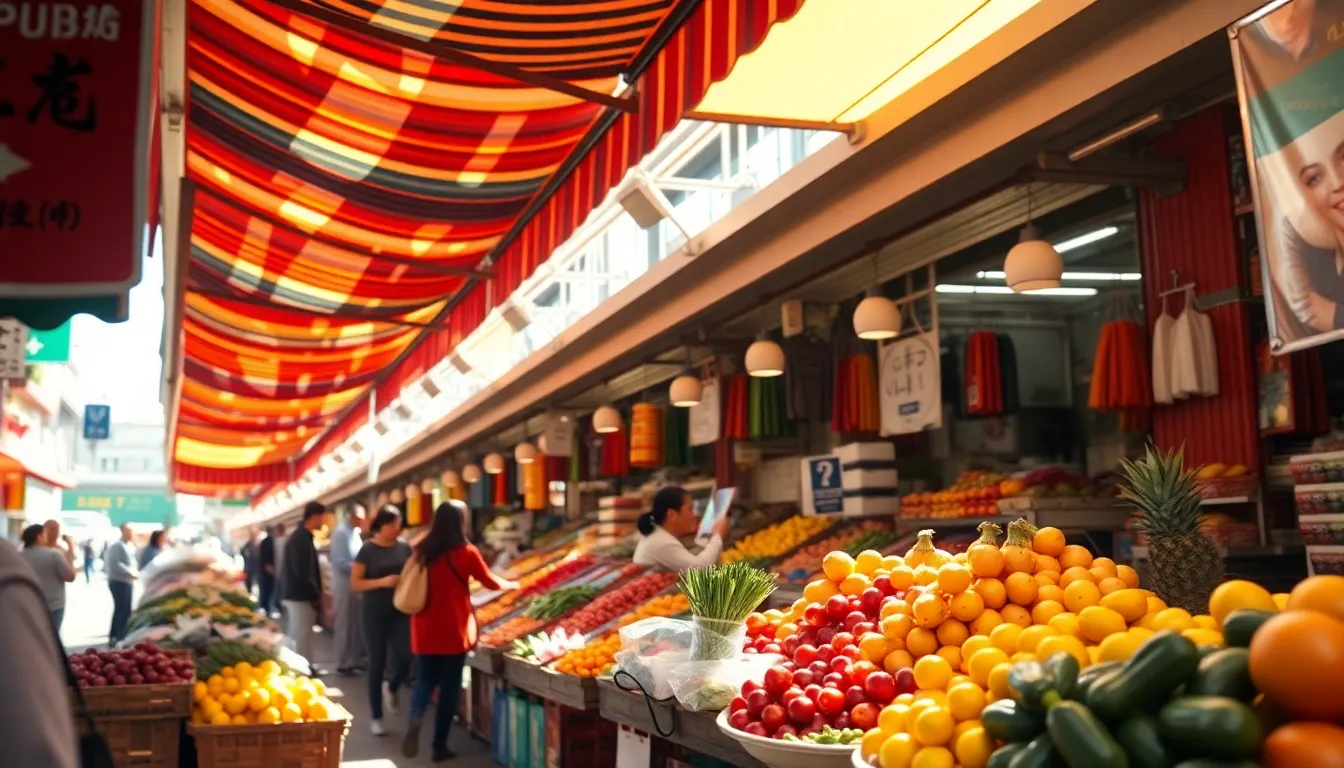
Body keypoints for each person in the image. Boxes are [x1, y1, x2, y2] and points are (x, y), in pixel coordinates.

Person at [403, 500, 517, 762]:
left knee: (424, 681)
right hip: (453, 630)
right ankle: (439, 746)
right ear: (461, 521)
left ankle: (417, 716)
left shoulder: (421, 549)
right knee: (449, 689)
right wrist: (511, 585)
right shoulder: (466, 552)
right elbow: (488, 581)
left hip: (424, 627)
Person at [0, 538, 79, 767]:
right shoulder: (9, 565)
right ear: (41, 536)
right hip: (52, 604)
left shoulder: (20, 556)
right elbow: (37, 747)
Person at [351, 506, 413, 736]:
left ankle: (393, 686)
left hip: (401, 610)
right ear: (383, 525)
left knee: (406, 654)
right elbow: (355, 584)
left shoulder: (406, 548)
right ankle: (376, 715)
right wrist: (381, 582)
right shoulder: (367, 550)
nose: (398, 528)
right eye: (394, 523)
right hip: (373, 613)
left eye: (399, 523)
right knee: (376, 663)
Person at [632, 486, 728, 572]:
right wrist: (717, 535)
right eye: (690, 509)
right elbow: (700, 568)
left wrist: (707, 533)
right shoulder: (662, 542)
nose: (694, 515)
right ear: (672, 514)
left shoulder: (659, 535)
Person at [281, 503, 326, 673]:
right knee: (302, 635)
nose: (324, 521)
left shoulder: (300, 536)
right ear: (314, 516)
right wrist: (314, 595)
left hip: (296, 594)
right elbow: (303, 571)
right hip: (300, 596)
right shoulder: (302, 538)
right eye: (322, 517)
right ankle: (301, 671)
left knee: (299, 633)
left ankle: (303, 667)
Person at [329, 504, 367, 676]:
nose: (361, 521)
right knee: (344, 623)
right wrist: (360, 568)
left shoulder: (355, 533)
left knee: (356, 624)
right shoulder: (340, 534)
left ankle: (355, 659)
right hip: (344, 586)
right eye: (359, 518)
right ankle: (343, 661)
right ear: (351, 516)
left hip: (356, 586)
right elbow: (339, 562)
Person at [20, 524, 76, 632]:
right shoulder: (53, 555)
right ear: (38, 536)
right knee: (52, 640)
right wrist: (71, 549)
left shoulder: (19, 556)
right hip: (53, 606)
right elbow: (70, 576)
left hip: (28, 604)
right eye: (44, 534)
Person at [105, 524, 138, 645]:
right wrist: (130, 572)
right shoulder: (116, 546)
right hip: (118, 581)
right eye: (128, 530)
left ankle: (116, 635)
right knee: (121, 609)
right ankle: (119, 637)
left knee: (125, 609)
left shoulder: (130, 546)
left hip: (128, 581)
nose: (131, 533)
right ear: (123, 531)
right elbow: (115, 564)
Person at [258, 523, 283, 616]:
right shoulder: (270, 541)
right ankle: (267, 607)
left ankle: (266, 607)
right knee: (268, 589)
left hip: (265, 571)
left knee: (266, 589)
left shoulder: (265, 541)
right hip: (268, 571)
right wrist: (271, 569)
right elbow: (267, 557)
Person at [240, 527, 261, 597]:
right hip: (249, 568)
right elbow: (244, 553)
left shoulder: (258, 545)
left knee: (256, 586)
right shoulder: (248, 546)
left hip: (255, 569)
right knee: (249, 586)